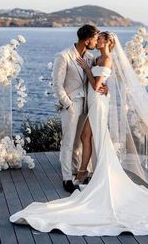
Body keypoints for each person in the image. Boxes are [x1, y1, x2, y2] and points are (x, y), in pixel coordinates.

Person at [10, 31, 148, 236]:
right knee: (86, 137)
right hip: (94, 101)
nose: (97, 41)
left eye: (101, 39)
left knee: (92, 137)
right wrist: (103, 85)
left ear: (108, 42)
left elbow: (96, 84)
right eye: (96, 38)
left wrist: (89, 71)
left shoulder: (105, 58)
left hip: (97, 103)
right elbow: (103, 83)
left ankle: (86, 174)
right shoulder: (94, 57)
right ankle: (83, 173)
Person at [52, 24, 108, 193]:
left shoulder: (90, 58)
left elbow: (96, 79)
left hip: (87, 105)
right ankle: (67, 178)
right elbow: (56, 84)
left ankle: (77, 172)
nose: (96, 42)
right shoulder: (63, 56)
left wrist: (106, 88)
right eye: (95, 39)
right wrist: (67, 104)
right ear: (87, 39)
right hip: (71, 106)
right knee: (68, 142)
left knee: (79, 142)